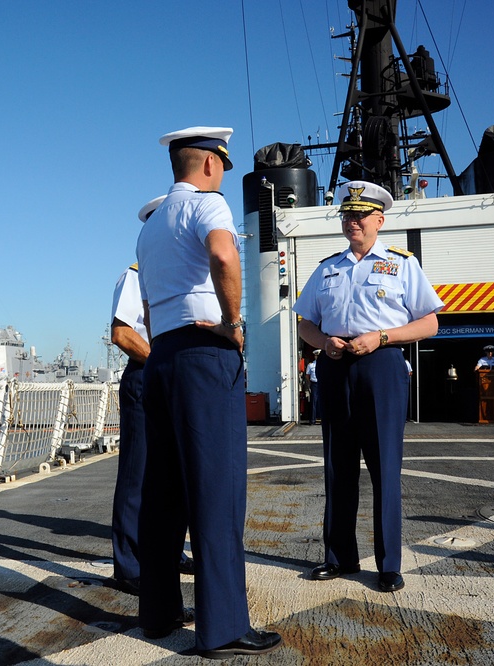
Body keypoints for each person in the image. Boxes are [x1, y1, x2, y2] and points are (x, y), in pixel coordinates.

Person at [135, 126, 281, 658]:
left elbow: (149, 307)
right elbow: (223, 256)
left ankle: (158, 612)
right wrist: (232, 321)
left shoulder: (148, 230)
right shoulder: (208, 206)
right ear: (212, 165)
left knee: (163, 490)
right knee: (217, 492)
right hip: (204, 354)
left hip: (164, 358)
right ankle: (222, 627)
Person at [293, 179, 444, 593]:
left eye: (360, 215)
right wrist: (324, 342)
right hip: (336, 366)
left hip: (381, 365)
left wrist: (381, 337)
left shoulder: (402, 264)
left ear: (380, 219)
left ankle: (389, 564)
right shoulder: (327, 267)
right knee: (337, 468)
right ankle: (338, 557)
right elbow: (305, 322)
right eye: (346, 214)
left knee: (384, 469)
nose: (352, 221)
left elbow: (430, 322)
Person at [109, 195, 194, 597]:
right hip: (147, 377)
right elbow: (123, 333)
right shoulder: (136, 274)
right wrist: (161, 360)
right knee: (138, 475)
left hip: (173, 377)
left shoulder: (176, 274)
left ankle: (171, 550)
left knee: (174, 470)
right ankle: (129, 566)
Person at [306, 349, 321, 425]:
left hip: (322, 384)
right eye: (316, 356)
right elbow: (307, 376)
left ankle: (322, 419)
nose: (317, 357)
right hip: (314, 384)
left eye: (318, 356)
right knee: (314, 402)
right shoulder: (310, 365)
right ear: (314, 356)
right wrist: (310, 384)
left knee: (322, 402)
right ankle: (312, 419)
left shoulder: (323, 364)